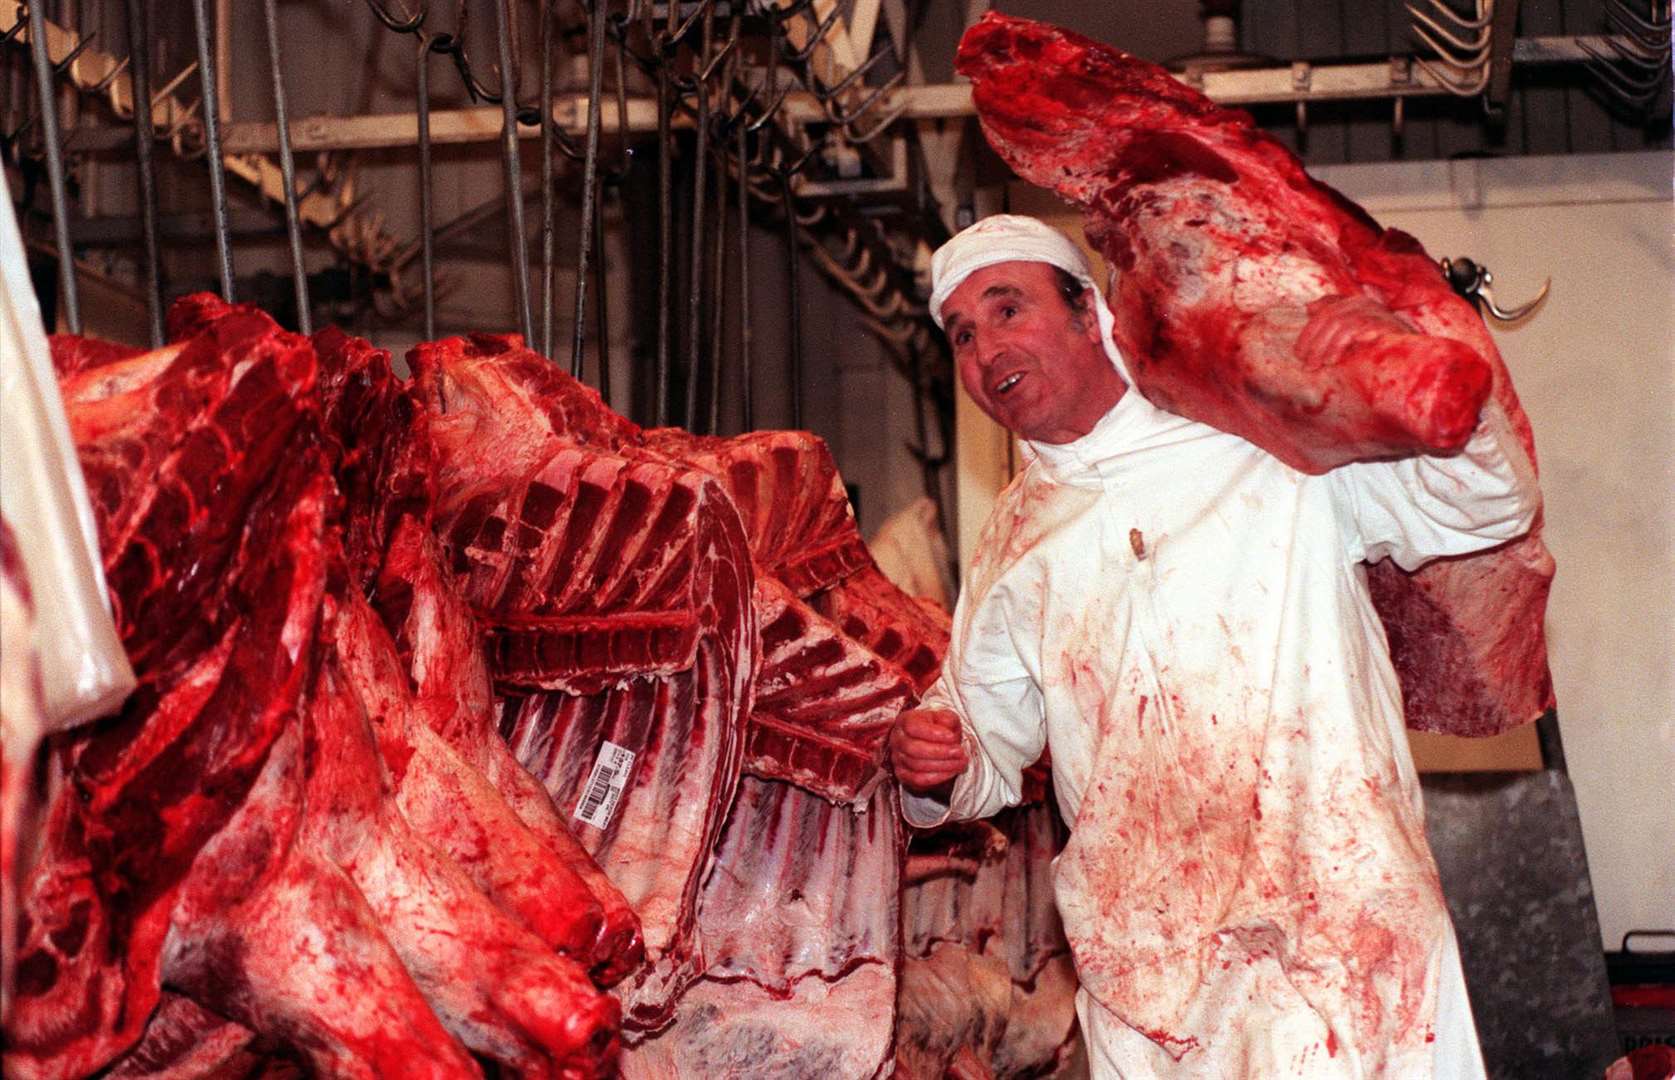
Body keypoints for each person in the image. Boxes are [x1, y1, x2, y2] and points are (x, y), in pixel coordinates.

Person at [889, 214, 1539, 1078]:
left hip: (1334, 926)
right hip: (1150, 969)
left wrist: (1432, 364)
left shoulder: (1265, 437)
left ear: (1091, 314)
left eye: (1006, 310)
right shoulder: (1014, 535)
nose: (982, 352)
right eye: (961, 335)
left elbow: (1483, 506)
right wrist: (935, 765)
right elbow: (983, 737)